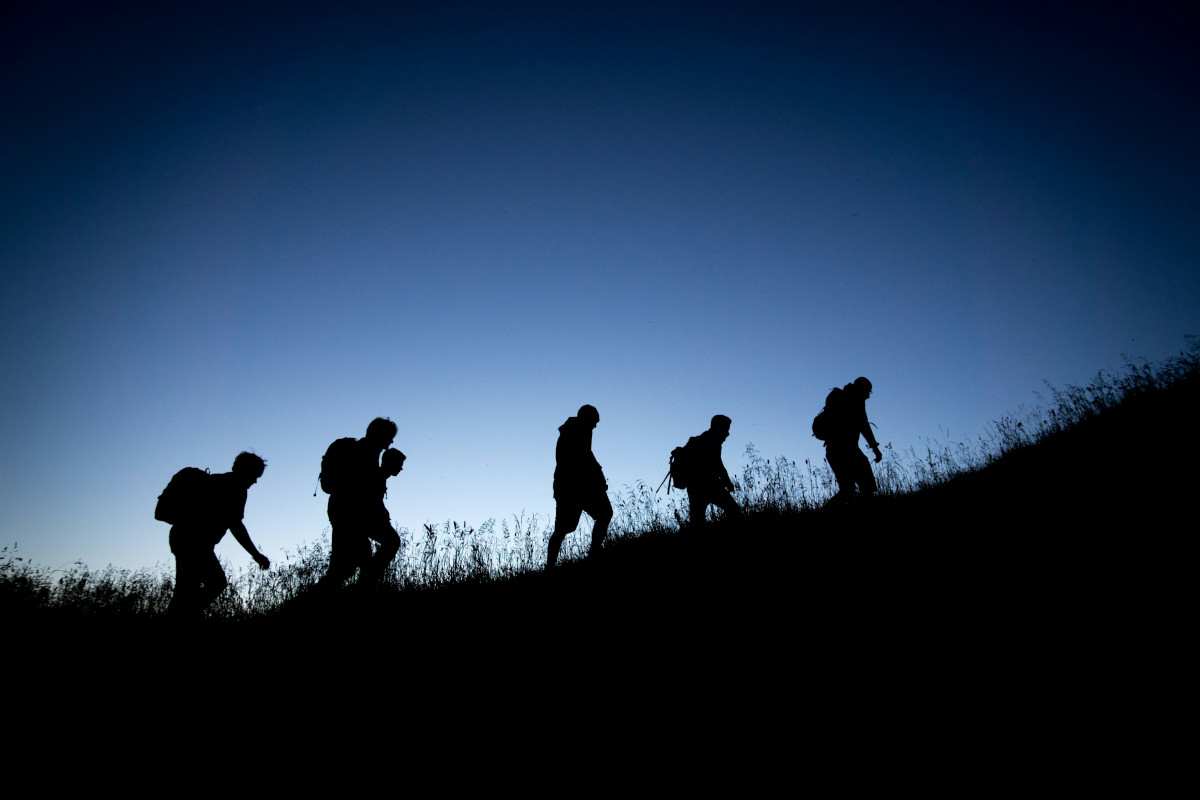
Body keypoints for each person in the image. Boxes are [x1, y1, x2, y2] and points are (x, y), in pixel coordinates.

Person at [166, 452, 270, 618]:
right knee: (215, 582)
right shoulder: (236, 489)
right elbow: (235, 525)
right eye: (254, 475)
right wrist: (256, 555)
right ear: (244, 470)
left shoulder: (215, 480)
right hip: (194, 542)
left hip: (183, 537)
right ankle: (184, 615)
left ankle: (183, 614)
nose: (255, 480)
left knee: (186, 588)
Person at [319, 418, 403, 590]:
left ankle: (362, 589)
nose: (391, 441)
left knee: (344, 568)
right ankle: (362, 591)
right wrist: (384, 473)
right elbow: (363, 491)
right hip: (351, 516)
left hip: (343, 513)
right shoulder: (366, 452)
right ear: (379, 434)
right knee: (389, 543)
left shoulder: (368, 451)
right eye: (389, 436)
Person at [547, 404, 612, 569]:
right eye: (594, 422)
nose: (595, 426)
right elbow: (583, 458)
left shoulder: (576, 430)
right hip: (573, 487)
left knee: (603, 514)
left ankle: (592, 554)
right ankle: (551, 565)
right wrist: (598, 477)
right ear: (587, 418)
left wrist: (598, 476)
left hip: (574, 486)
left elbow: (586, 456)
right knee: (564, 527)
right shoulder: (576, 430)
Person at [823, 376, 883, 505]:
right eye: (868, 391)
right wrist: (875, 448)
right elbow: (864, 426)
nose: (868, 396)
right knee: (862, 488)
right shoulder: (855, 400)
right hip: (845, 451)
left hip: (835, 450)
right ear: (862, 389)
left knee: (848, 491)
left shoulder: (838, 396)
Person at [685, 415, 741, 526]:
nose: (728, 434)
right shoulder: (711, 440)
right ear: (719, 428)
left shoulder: (703, 439)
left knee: (697, 522)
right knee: (734, 510)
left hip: (694, 487)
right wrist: (727, 482)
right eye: (726, 429)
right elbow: (717, 463)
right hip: (709, 485)